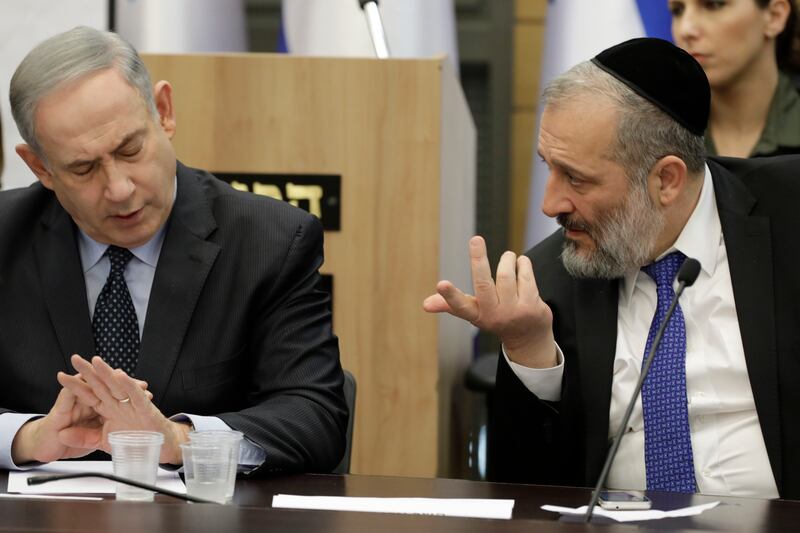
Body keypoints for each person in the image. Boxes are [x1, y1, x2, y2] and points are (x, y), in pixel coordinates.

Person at [425, 37, 800, 499]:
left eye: (576, 178)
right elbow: (523, 495)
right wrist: (527, 351)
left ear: (666, 179)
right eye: (549, 168)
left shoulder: (791, 213)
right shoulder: (548, 282)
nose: (549, 204)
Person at [0, 26, 348, 473]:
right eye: (83, 168)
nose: (120, 189)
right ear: (40, 167)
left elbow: (315, 416)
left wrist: (179, 440)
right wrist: (29, 437)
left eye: (130, 149)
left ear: (163, 112)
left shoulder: (270, 240)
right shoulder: (7, 238)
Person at [670, 0, 800, 157]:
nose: (685, 29)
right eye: (678, 10)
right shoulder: (656, 136)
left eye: (714, 5)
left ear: (774, 16)